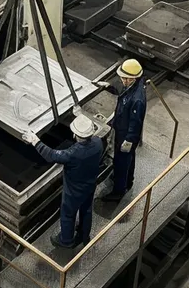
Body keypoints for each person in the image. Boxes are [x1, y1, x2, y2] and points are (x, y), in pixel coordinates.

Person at [23, 113, 102, 249]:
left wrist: (35, 141)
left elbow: (52, 155)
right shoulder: (98, 143)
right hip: (90, 185)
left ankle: (66, 241)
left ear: (76, 135)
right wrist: (79, 113)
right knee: (86, 210)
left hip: (73, 191)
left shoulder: (73, 154)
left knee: (67, 214)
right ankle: (84, 234)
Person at [102, 58, 146, 201]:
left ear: (131, 78)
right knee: (129, 158)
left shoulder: (137, 99)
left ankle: (118, 192)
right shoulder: (133, 86)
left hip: (126, 134)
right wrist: (108, 86)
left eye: (123, 78)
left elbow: (136, 123)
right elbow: (122, 93)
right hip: (123, 130)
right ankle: (129, 180)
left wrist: (128, 141)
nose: (122, 80)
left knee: (121, 162)